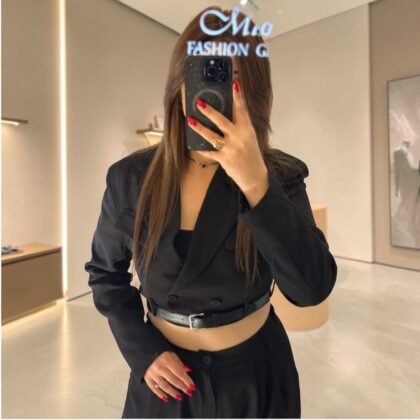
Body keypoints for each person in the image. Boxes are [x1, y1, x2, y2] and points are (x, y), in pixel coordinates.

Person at [85, 6, 337, 419]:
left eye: (233, 79)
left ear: (253, 92)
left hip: (257, 377)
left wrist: (256, 184)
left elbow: (311, 290)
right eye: (205, 73)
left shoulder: (280, 174)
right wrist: (143, 351)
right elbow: (105, 274)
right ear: (180, 84)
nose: (217, 93)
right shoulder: (131, 178)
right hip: (165, 380)